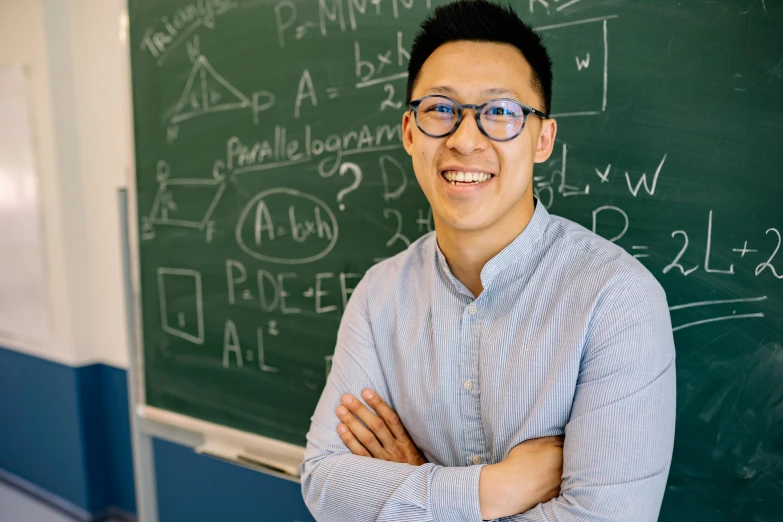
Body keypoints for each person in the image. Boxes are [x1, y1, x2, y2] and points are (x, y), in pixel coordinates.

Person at [301, 1, 676, 520]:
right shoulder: (378, 295)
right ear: (410, 132)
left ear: (542, 139)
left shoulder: (617, 301)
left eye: (500, 112)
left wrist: (414, 483)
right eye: (439, 109)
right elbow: (324, 483)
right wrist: (493, 490)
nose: (464, 139)